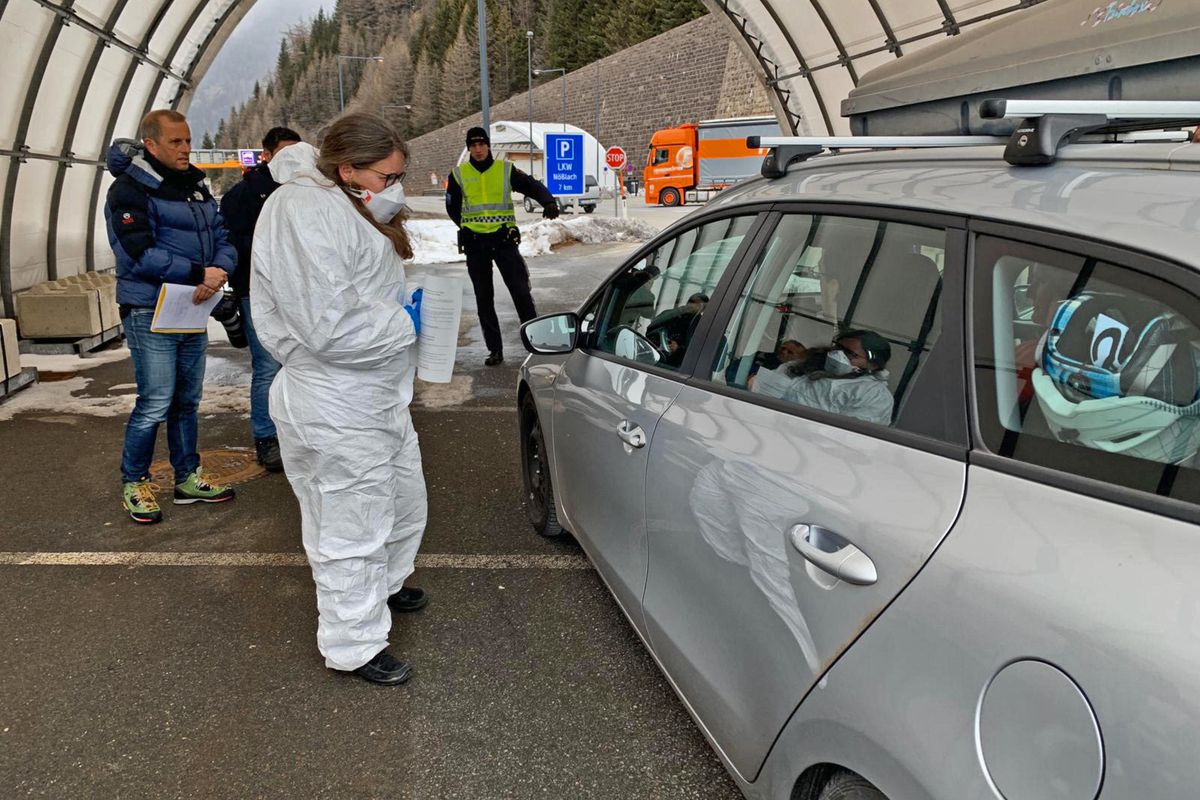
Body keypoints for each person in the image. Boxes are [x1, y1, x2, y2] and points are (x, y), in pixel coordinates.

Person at [250, 114, 428, 687]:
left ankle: (386, 586)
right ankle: (353, 643)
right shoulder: (304, 212)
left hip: (374, 395)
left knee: (401, 499)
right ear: (348, 169)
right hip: (334, 401)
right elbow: (329, 326)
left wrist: (400, 315)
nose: (394, 187)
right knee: (349, 523)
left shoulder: (346, 204)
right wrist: (405, 324)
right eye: (388, 176)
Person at [105, 109, 238, 524]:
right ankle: (135, 481)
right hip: (149, 308)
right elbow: (139, 252)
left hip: (191, 306)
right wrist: (199, 274)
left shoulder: (196, 185)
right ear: (151, 144)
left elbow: (222, 236)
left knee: (186, 401)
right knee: (155, 401)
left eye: (187, 140)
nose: (185, 148)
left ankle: (187, 478)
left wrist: (217, 273)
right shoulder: (129, 190)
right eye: (176, 142)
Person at [219, 126, 302, 472]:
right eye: (285, 153)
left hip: (300, 293)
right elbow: (233, 245)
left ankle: (298, 432)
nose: (293, 160)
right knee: (267, 365)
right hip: (259, 293)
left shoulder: (307, 192)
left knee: (301, 362)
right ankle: (266, 438)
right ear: (267, 155)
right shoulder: (241, 197)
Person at [446, 126, 559, 366]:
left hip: (503, 240)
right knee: (484, 298)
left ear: (488, 146)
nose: (478, 149)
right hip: (476, 245)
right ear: (469, 148)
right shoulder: (458, 175)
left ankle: (535, 343)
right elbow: (452, 207)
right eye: (473, 145)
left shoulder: (504, 170)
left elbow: (531, 185)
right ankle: (494, 350)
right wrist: (467, 227)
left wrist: (547, 200)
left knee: (520, 292)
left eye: (481, 144)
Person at [750, 330, 894, 425]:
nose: (838, 354)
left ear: (873, 365)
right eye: (838, 347)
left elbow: (852, 435)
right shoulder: (803, 365)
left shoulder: (874, 395)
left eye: (850, 353)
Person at [645, 292, 709, 366]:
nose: (692, 306)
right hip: (655, 357)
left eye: (698, 305)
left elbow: (696, 349)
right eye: (692, 302)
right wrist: (659, 343)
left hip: (676, 367)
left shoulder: (700, 325)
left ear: (703, 309)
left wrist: (678, 348)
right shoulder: (670, 314)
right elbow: (651, 329)